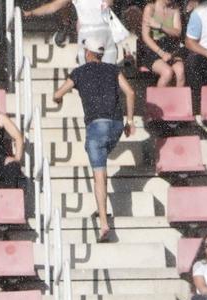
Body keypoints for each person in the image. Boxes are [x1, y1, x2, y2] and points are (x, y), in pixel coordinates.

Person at [53, 37, 133, 242]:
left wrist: (59, 98)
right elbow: (130, 92)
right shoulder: (113, 69)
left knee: (99, 175)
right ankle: (103, 211)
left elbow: (58, 93)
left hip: (96, 126)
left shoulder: (79, 72)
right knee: (103, 160)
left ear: (87, 53)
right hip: (115, 124)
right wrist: (130, 120)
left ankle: (104, 222)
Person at [141, 0, 186, 86]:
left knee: (180, 72)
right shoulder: (150, 8)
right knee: (167, 72)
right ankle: (159, 99)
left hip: (170, 48)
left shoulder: (174, 9)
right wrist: (161, 53)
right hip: (154, 49)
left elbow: (177, 32)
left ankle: (178, 99)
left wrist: (160, 26)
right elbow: (145, 37)